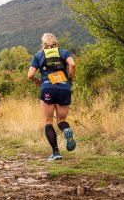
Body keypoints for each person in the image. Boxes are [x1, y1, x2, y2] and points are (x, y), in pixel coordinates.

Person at [27, 33, 76, 161]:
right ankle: (66, 130)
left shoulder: (39, 55)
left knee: (48, 122)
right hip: (64, 87)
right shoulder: (63, 52)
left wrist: (37, 80)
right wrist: (70, 79)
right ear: (56, 42)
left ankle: (56, 152)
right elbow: (72, 65)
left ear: (43, 44)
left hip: (48, 87)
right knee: (61, 121)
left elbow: (30, 74)